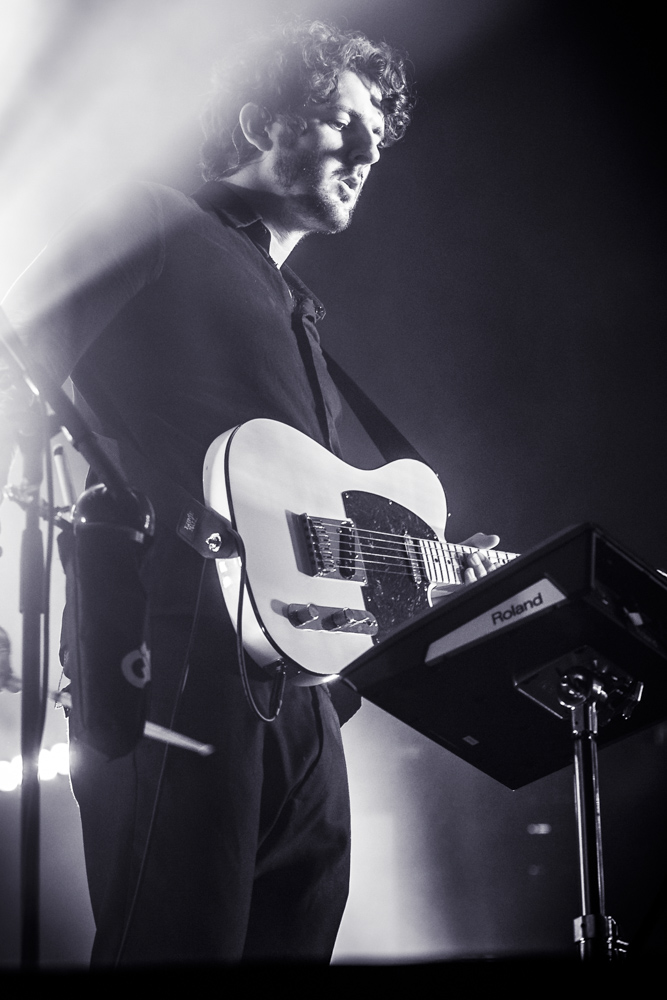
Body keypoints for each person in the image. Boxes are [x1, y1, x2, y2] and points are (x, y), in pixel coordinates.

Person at [1, 19, 495, 965]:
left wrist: (424, 568)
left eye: (378, 137)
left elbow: (309, 530)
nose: (368, 149)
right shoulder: (144, 218)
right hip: (170, 655)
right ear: (260, 118)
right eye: (343, 121)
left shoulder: (301, 314)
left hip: (305, 694)